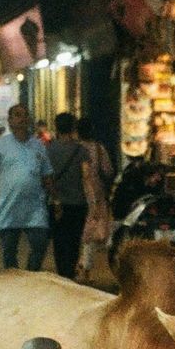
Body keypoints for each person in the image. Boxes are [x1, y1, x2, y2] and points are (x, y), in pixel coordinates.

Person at [0, 103, 53, 271]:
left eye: (25, 115)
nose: (22, 119)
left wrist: (56, 199)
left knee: (40, 245)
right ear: (10, 121)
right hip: (9, 207)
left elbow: (47, 174)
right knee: (9, 252)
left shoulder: (38, 145)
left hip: (35, 208)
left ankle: (30, 278)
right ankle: (13, 284)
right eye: (17, 115)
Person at [46, 112, 94, 280]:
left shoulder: (49, 149)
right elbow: (86, 177)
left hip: (55, 202)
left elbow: (46, 177)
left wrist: (54, 197)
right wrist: (92, 201)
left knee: (59, 239)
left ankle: (62, 273)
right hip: (77, 202)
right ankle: (70, 272)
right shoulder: (81, 151)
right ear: (74, 127)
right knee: (74, 240)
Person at [75, 115, 114, 282]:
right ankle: (85, 270)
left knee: (75, 232)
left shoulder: (73, 148)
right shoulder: (99, 149)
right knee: (90, 234)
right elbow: (108, 171)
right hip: (95, 194)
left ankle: (74, 267)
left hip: (74, 193)